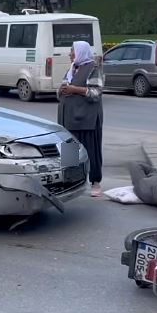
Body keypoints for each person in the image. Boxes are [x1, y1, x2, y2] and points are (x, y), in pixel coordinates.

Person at [57, 41, 104, 197]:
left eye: (73, 52)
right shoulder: (72, 69)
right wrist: (62, 90)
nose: (70, 54)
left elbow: (96, 93)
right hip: (69, 118)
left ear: (81, 52)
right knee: (69, 150)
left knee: (91, 150)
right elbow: (63, 87)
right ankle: (70, 180)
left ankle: (95, 181)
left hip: (87, 119)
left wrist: (74, 89)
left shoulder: (93, 68)